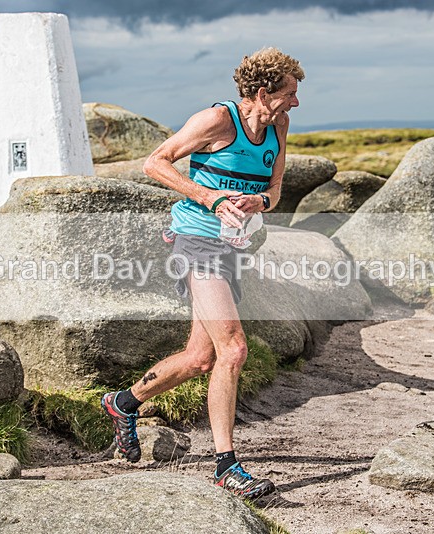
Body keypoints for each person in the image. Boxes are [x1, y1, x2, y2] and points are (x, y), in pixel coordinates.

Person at [101, 47, 303, 499]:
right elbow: (155, 162)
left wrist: (260, 203)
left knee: (201, 359)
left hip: (233, 246)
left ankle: (123, 403)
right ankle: (226, 467)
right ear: (262, 91)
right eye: (290, 93)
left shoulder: (278, 125)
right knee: (233, 349)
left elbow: (275, 188)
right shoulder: (217, 121)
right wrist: (209, 198)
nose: (295, 103)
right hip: (196, 243)